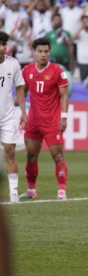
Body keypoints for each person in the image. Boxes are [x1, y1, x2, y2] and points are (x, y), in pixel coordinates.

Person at [19, 38, 70, 200]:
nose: (43, 54)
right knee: (30, 156)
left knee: (57, 156)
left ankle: (62, 189)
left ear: (50, 52)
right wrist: (21, 111)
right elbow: (23, 91)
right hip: (33, 120)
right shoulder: (27, 70)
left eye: (46, 51)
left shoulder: (57, 71)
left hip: (52, 121)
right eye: (40, 51)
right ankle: (31, 190)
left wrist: (64, 117)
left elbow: (65, 96)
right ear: (34, 52)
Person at [0, 32, 27, 203]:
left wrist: (23, 112)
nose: (2, 48)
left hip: (8, 116)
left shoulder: (13, 64)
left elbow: (19, 88)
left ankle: (14, 194)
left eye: (4, 44)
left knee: (10, 151)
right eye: (0, 44)